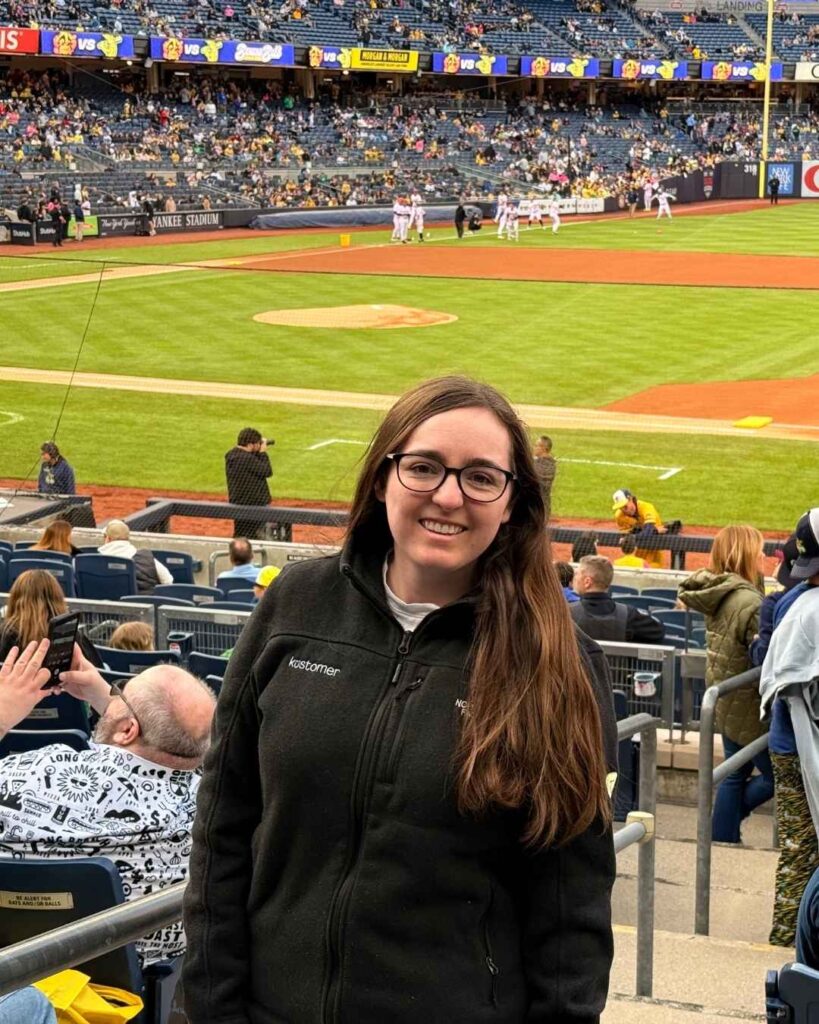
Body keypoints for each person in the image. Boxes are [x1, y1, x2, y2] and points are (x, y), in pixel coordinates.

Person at [182, 375, 618, 1024]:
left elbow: (569, 911)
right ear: (383, 477)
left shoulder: (558, 661)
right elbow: (221, 831)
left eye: (479, 477)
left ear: (511, 502)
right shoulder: (293, 605)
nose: (447, 495)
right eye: (422, 467)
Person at [0, 641, 216, 966]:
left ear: (128, 730)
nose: (112, 697)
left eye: (121, 692)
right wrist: (103, 694)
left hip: (20, 969)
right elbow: (178, 745)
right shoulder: (214, 808)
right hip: (133, 990)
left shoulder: (32, 778)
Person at [678, 525, 771, 844]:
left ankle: (722, 836)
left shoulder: (723, 591)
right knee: (778, 777)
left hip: (727, 699)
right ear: (745, 554)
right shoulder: (748, 600)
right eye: (759, 550)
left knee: (734, 773)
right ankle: (726, 827)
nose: (764, 556)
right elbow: (763, 656)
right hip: (747, 706)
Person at [759, 509, 819, 945]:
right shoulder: (801, 608)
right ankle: (789, 943)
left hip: (795, 741)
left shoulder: (792, 599)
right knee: (802, 848)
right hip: (796, 745)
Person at [0, 569, 100, 665]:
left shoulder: (4, 635)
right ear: (57, 599)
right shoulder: (72, 636)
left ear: (15, 599)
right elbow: (98, 673)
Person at [570, 555, 664, 643]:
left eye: (577, 574)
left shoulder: (568, 613)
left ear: (587, 582)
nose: (574, 578)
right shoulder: (628, 615)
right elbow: (659, 631)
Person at [98, 520, 173, 592]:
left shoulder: (96, 560)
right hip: (146, 602)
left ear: (108, 539)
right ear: (127, 538)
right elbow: (168, 580)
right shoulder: (146, 557)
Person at [225, 428, 273, 539]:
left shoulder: (231, 455)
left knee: (240, 534)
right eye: (257, 443)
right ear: (250, 445)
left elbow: (251, 466)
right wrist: (263, 453)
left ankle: (238, 553)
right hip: (254, 506)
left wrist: (258, 451)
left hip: (238, 504)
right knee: (255, 536)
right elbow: (267, 471)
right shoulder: (246, 459)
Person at [611, 488, 667, 569]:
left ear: (630, 499)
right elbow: (627, 538)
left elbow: (648, 531)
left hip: (653, 551)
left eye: (625, 506)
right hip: (637, 555)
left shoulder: (646, 507)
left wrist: (634, 536)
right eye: (621, 508)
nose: (624, 510)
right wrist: (655, 531)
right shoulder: (620, 516)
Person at [532, 434, 556, 520]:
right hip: (544, 508)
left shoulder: (538, 464)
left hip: (536, 510)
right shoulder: (551, 463)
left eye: (536, 445)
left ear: (543, 448)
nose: (534, 448)